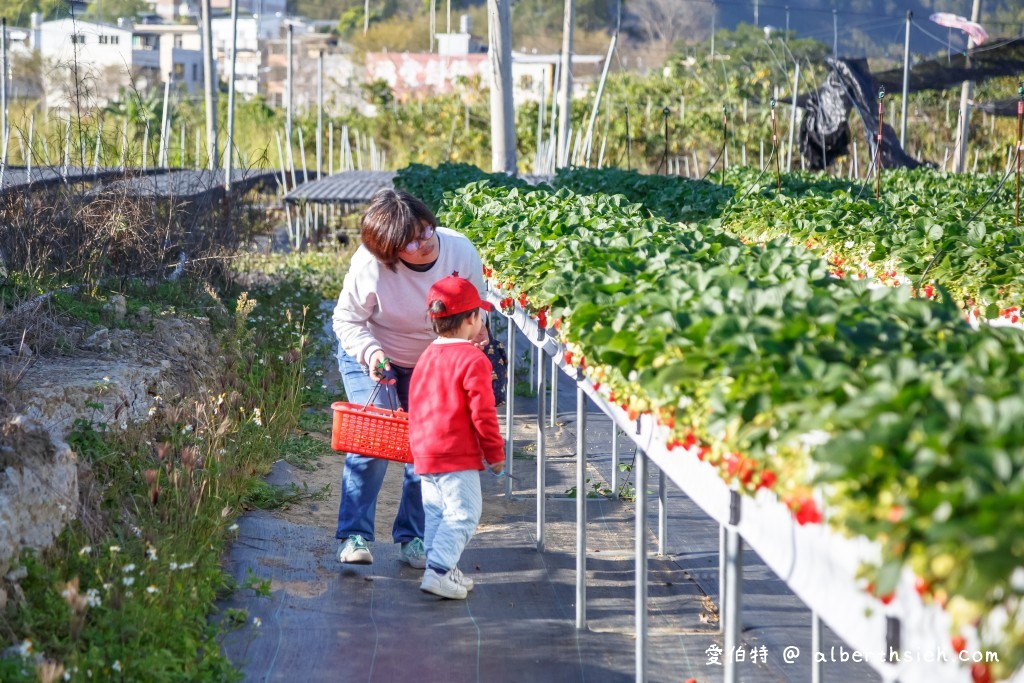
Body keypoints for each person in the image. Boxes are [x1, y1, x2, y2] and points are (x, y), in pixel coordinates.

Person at [332, 189, 488, 568]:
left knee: (425, 449)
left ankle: (412, 537)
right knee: (374, 440)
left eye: (426, 231)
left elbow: (475, 313)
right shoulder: (371, 264)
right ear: (389, 251)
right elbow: (347, 320)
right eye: (411, 242)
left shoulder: (459, 251)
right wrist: (372, 354)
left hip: (431, 360)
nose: (424, 244)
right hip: (373, 353)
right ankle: (354, 534)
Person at [408, 275, 505, 599]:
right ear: (471, 319)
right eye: (479, 314)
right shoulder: (473, 359)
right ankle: (437, 571)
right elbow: (483, 414)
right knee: (464, 513)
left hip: (426, 453)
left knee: (437, 513)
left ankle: (443, 568)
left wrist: (418, 449)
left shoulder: (426, 356)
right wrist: (495, 454)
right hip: (455, 453)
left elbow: (417, 404)